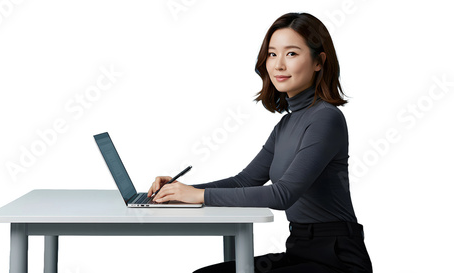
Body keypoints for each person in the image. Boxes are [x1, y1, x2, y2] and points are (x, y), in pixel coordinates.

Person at [147, 12, 372, 273]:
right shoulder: (285, 125)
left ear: (319, 61)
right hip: (299, 248)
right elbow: (244, 181)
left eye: (291, 54)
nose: (278, 65)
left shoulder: (327, 119)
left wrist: (198, 196)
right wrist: (179, 191)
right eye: (272, 54)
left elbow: (282, 194)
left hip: (336, 258)